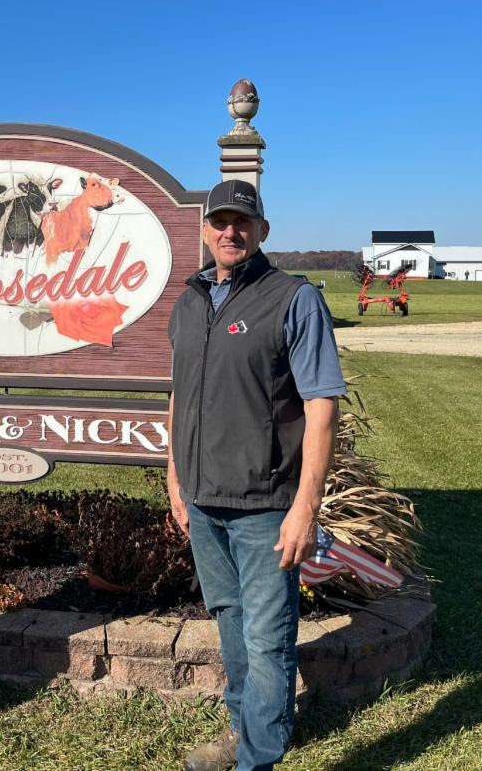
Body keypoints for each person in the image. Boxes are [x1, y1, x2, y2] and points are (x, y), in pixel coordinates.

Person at [167, 180, 346, 771]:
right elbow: (180, 394)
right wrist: (175, 478)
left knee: (268, 640)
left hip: (267, 505)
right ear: (205, 229)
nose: (230, 231)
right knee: (232, 625)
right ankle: (245, 733)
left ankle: (258, 759)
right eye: (220, 221)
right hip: (203, 500)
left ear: (262, 230)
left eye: (242, 222)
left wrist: (305, 508)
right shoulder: (190, 301)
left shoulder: (293, 299)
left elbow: (322, 406)